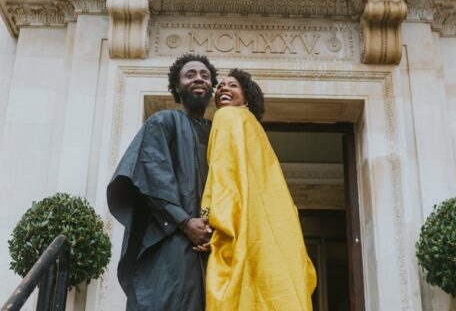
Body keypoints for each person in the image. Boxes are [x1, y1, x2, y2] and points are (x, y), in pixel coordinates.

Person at [107, 54, 218, 310]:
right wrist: (185, 222)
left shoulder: (219, 131)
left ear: (212, 86)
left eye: (204, 75)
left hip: (214, 246)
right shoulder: (163, 121)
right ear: (176, 87)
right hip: (172, 240)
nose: (198, 78)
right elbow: (153, 174)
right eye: (190, 75)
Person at [201, 68, 317, 310]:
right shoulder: (254, 127)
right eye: (220, 86)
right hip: (273, 228)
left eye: (232, 85)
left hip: (243, 223)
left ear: (247, 96)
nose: (223, 88)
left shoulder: (227, 117)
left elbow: (224, 174)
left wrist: (209, 221)